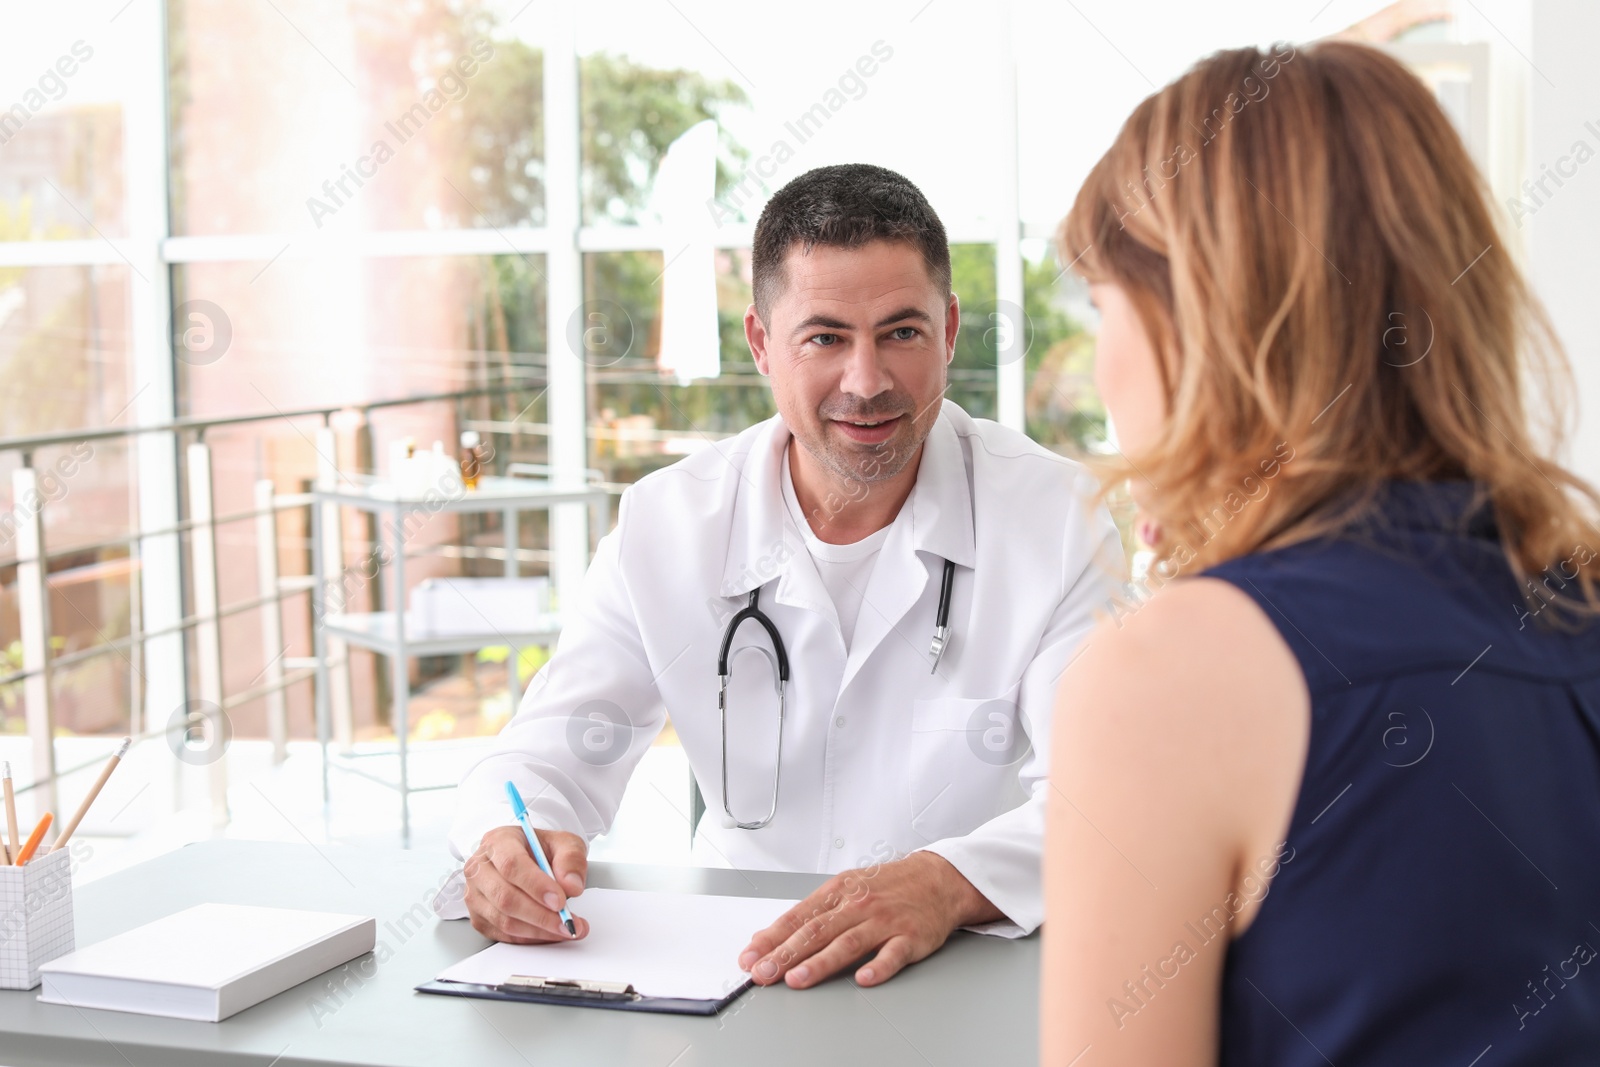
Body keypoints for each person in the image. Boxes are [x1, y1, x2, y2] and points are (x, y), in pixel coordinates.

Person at [1040, 40, 1600, 1065]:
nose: (1096, 358)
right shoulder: (1569, 600)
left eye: (1099, 303)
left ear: (1199, 317)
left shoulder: (1172, 672)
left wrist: (1205, 605)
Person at [436, 163, 1124, 990]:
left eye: (901, 333)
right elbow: (544, 757)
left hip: (963, 966)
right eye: (825, 337)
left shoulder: (1055, 518)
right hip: (738, 970)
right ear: (762, 343)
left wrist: (946, 882)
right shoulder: (667, 525)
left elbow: (1107, 798)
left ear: (948, 331)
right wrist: (506, 843)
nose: (866, 382)